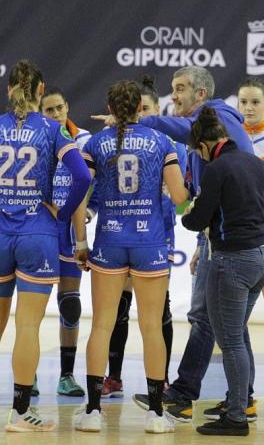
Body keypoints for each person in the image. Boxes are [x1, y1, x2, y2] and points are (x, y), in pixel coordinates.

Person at [0, 59, 90, 432]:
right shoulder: (53, 130)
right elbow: (82, 175)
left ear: (8, 90)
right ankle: (22, 413)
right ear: (41, 91)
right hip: (37, 234)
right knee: (27, 326)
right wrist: (62, 214)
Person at [128, 66, 253, 422]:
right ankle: (243, 398)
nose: (174, 95)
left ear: (201, 95)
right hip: (223, 239)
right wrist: (202, 240)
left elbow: (189, 133)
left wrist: (144, 121)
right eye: (172, 87)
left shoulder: (219, 116)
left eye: (180, 88)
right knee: (230, 325)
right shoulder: (204, 135)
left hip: (233, 244)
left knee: (205, 318)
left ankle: (182, 394)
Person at [73, 80, 188, 434]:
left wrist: (80, 241)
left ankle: (93, 411)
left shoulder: (95, 142)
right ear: (141, 108)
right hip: (149, 242)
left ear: (110, 109)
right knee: (152, 327)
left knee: (102, 325)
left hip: (109, 240)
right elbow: (180, 196)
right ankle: (155, 414)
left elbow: (79, 194)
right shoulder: (161, 141)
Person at [181, 107, 264, 436]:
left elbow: (198, 220)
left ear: (204, 145)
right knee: (238, 336)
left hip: (230, 261)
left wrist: (187, 213)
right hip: (260, 258)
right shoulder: (253, 161)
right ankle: (240, 402)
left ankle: (236, 417)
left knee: (230, 341)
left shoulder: (216, 169)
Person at [101, 76, 187, 398]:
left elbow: (179, 195)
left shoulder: (171, 147)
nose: (146, 118)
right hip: (123, 235)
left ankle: (160, 378)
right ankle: (114, 376)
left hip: (158, 235)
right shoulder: (116, 142)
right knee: (119, 308)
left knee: (158, 311)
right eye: (143, 111)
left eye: (152, 112)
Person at [38, 85, 91, 397]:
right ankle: (27, 374)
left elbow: (94, 180)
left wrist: (90, 210)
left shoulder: (84, 139)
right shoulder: (37, 137)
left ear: (68, 107)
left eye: (59, 108)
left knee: (70, 305)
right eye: (49, 110)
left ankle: (66, 376)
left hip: (70, 229)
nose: (56, 114)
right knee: (33, 303)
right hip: (42, 227)